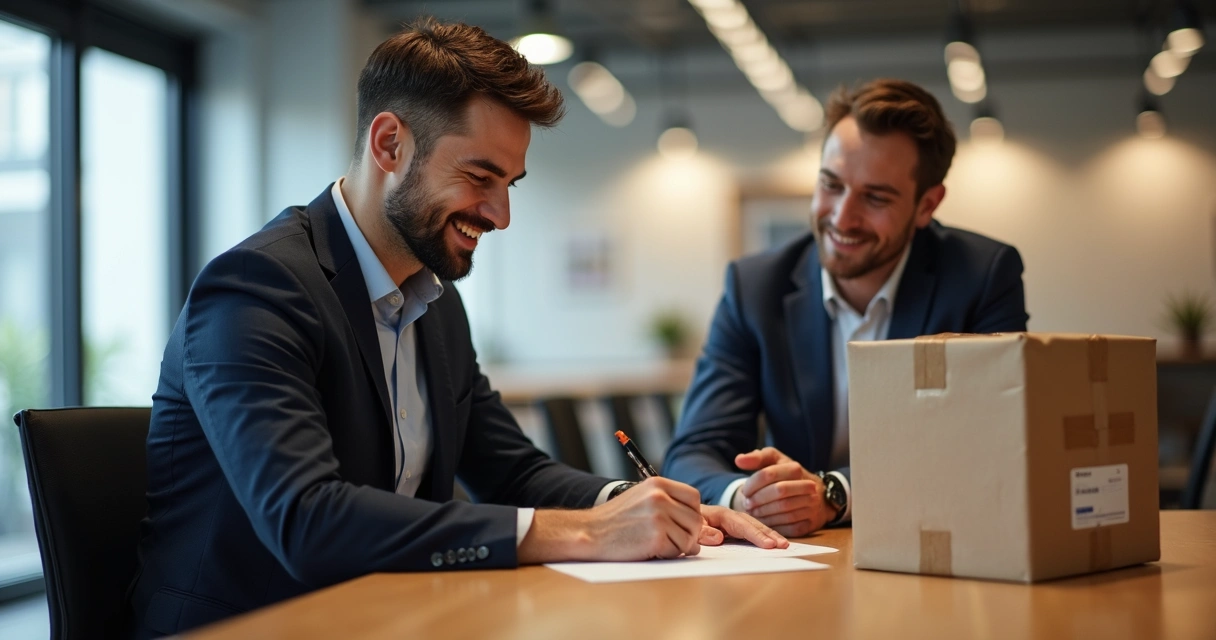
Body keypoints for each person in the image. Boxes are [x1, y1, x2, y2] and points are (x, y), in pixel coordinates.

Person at [126, 18, 784, 638]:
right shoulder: (255, 289)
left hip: (388, 615)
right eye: (479, 177)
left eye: (511, 185)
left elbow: (512, 471)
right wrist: (586, 534)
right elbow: (308, 521)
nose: (500, 215)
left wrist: (641, 504)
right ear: (390, 144)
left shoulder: (436, 303)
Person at [663, 78, 1029, 538]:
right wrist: (753, 496)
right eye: (830, 185)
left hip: (935, 537)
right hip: (799, 557)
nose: (841, 217)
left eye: (875, 197)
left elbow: (990, 445)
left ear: (926, 205)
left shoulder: (981, 277)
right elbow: (693, 451)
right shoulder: (754, 287)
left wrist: (833, 493)